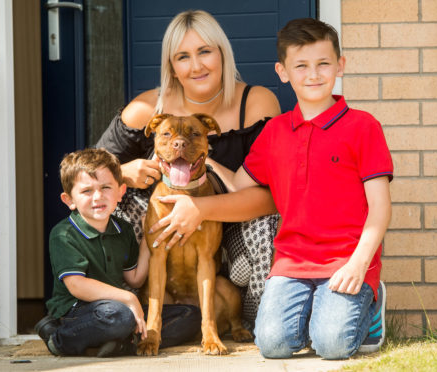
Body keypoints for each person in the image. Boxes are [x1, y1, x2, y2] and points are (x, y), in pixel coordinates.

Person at [147, 18, 393, 359]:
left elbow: (380, 208)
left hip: (346, 259)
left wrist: (358, 263)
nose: (313, 74)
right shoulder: (275, 131)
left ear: (340, 65)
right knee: (272, 344)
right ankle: (322, 312)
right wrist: (199, 163)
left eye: (323, 64)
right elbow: (238, 185)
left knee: (332, 345)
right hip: (292, 262)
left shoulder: (363, 126)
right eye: (301, 66)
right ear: (282, 71)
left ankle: (369, 306)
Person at [95, 10, 282, 326]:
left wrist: (200, 209)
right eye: (183, 57)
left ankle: (259, 321)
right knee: (116, 205)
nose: (196, 66)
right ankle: (116, 313)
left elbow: (274, 198)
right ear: (172, 67)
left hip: (229, 237)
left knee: (266, 224)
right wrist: (123, 172)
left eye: (205, 51)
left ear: (222, 53)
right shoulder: (145, 109)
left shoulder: (256, 103)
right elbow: (85, 176)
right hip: (159, 236)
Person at [34, 148, 201, 357]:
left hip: (114, 308)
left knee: (190, 315)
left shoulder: (123, 229)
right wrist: (128, 299)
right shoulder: (64, 233)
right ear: (69, 200)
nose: (98, 196)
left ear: (121, 192)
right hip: (77, 312)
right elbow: (77, 285)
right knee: (120, 317)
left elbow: (135, 279)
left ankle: (122, 344)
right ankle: (58, 339)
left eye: (106, 187)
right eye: (87, 191)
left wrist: (150, 233)